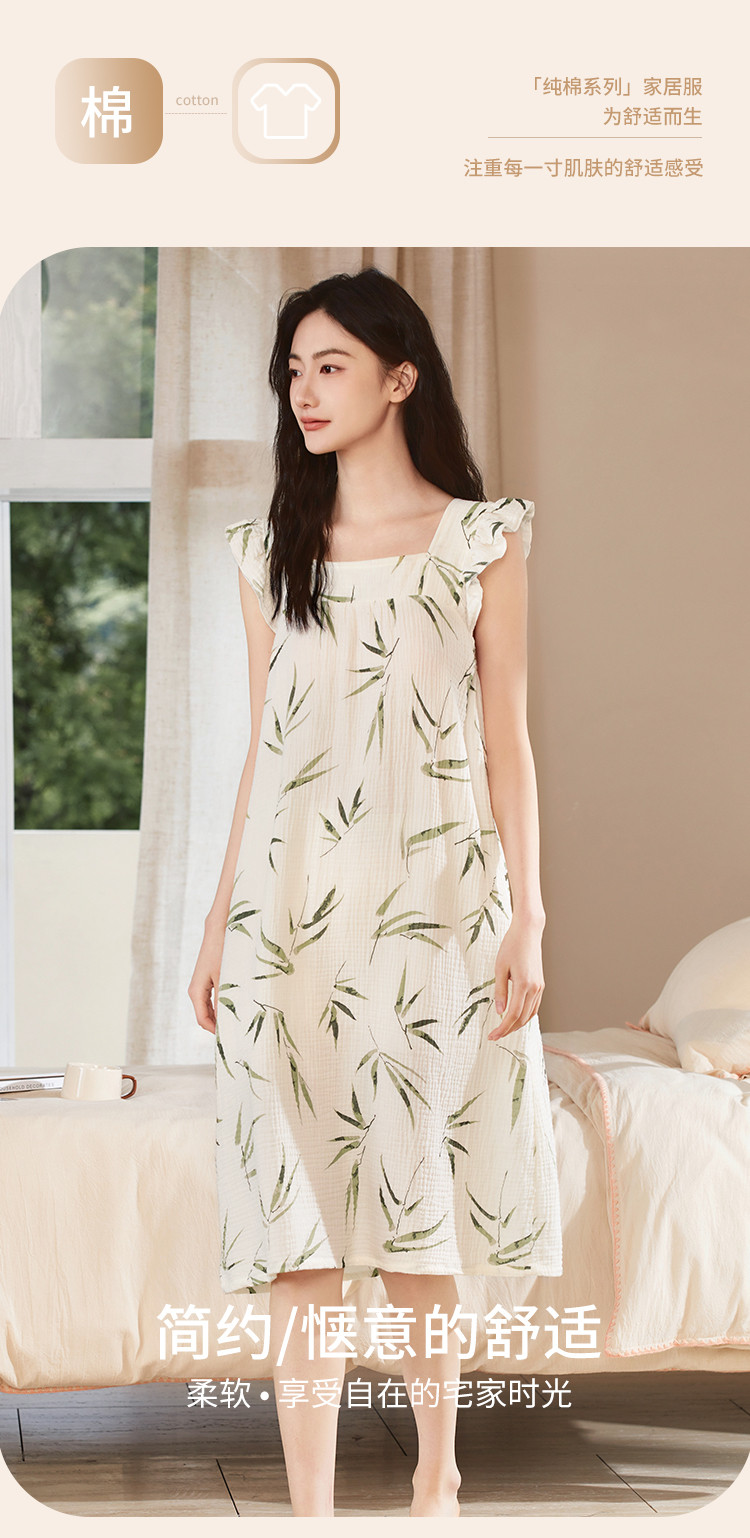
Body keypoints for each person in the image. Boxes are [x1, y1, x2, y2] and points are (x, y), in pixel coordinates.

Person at [189, 267, 562, 1518]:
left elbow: (507, 744)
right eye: (293, 370)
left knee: (415, 1206)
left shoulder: (480, 539)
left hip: (434, 913)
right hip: (285, 920)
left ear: (402, 377)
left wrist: (528, 916)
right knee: (291, 1218)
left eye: (331, 365)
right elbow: (266, 752)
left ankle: (434, 1475)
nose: (304, 390)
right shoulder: (267, 554)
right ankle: (307, 1508)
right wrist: (216, 925)